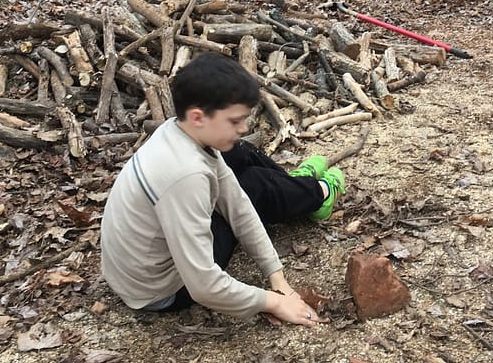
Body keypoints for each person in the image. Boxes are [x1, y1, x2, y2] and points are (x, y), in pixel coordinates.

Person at [101, 54, 345, 325]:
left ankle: (296, 186)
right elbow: (203, 286)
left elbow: (236, 203)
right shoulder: (186, 175)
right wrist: (274, 301)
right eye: (234, 121)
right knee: (254, 186)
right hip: (159, 291)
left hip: (134, 271)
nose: (244, 127)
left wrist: (277, 276)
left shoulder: (178, 131)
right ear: (198, 116)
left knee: (238, 152)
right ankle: (317, 193)